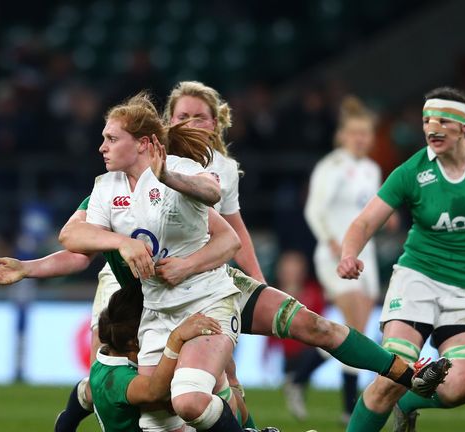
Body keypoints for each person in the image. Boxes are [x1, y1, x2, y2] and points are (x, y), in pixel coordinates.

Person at [161, 81, 449, 426]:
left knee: (317, 325)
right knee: (220, 386)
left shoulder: (222, 167)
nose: (192, 124)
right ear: (168, 121)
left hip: (220, 281)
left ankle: (409, 374)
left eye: (201, 117)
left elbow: (237, 233)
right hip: (171, 296)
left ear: (216, 122)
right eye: (183, 116)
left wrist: (260, 284)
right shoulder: (154, 167)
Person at [59, 92, 246, 432]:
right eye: (103, 138)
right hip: (156, 311)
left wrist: (168, 178)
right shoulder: (106, 186)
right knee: (157, 415)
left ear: (143, 143)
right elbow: (71, 236)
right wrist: (122, 243)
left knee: (188, 401)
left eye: (112, 139)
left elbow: (212, 194)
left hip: (205, 300)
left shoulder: (181, 169)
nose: (102, 147)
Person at [339, 87, 465, 432]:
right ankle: (396, 393)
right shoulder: (412, 171)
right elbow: (364, 222)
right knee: (394, 373)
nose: (432, 128)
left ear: (463, 127)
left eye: (443, 121)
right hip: (419, 278)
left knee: (462, 387)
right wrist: (348, 254)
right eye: (426, 120)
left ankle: (409, 399)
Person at [303, 95, 394, 423]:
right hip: (335, 254)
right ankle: (347, 406)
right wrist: (329, 241)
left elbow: (374, 207)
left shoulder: (371, 169)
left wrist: (390, 218)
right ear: (342, 135)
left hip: (364, 255)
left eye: (366, 134)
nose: (360, 139)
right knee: (355, 328)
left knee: (355, 330)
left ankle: (300, 375)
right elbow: (314, 209)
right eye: (355, 133)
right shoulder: (332, 166)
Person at [91, 286, 224, 432]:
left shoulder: (102, 363)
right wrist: (176, 337)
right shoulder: (116, 379)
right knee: (208, 405)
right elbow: (154, 391)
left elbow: (83, 393)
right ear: (134, 341)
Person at [262, 251, 325, 421]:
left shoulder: (312, 291)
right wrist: (267, 351)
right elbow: (268, 325)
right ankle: (296, 385)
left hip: (307, 347)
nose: (291, 272)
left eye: (295, 268)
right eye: (287, 268)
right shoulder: (273, 293)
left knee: (325, 348)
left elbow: (319, 318)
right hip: (288, 354)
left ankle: (296, 383)